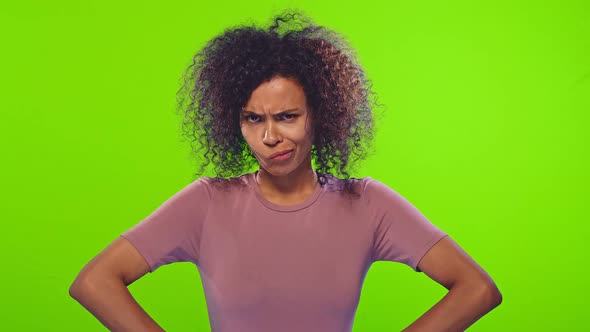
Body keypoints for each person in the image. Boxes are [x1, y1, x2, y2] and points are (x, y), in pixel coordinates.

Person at [69, 10, 502, 332]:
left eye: (288, 116)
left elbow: (477, 289)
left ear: (321, 114)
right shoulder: (207, 202)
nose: (270, 136)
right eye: (253, 119)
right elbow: (94, 281)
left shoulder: (368, 204)